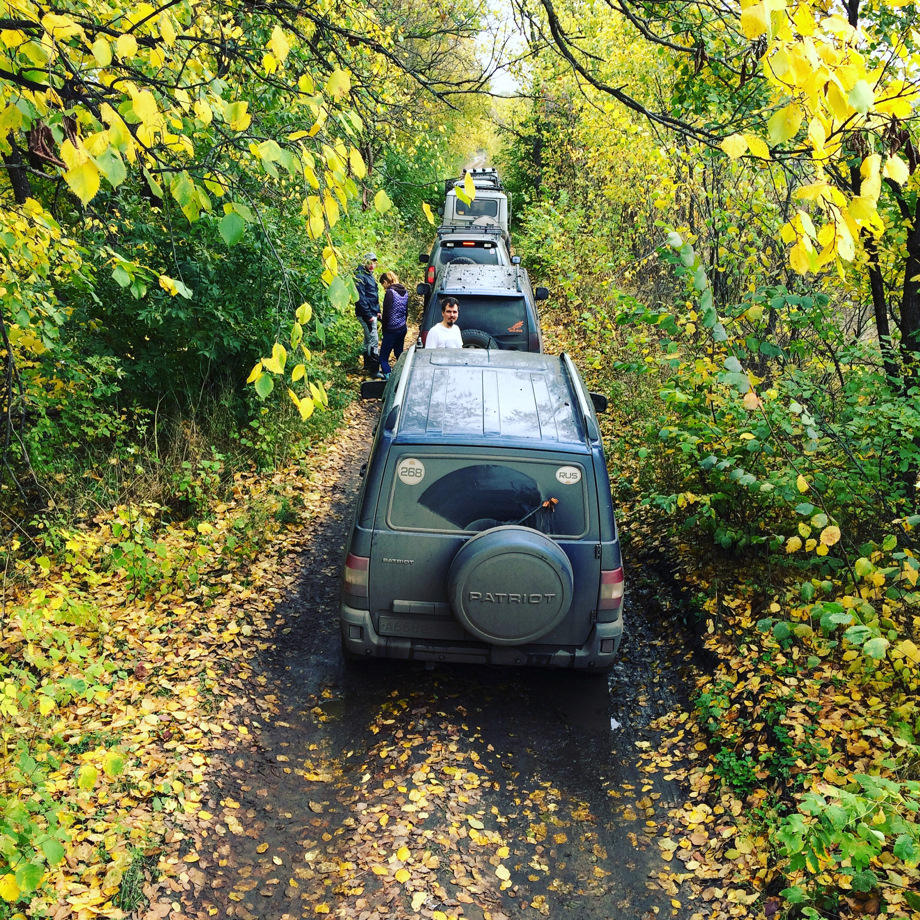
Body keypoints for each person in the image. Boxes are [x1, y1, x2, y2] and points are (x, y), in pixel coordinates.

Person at [354, 252, 381, 374]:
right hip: (366, 314)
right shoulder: (360, 276)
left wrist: (378, 311)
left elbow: (373, 295)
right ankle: (373, 370)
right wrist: (368, 315)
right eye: (369, 262)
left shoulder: (369, 275)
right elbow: (360, 298)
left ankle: (367, 366)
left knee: (368, 339)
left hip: (371, 312)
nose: (372, 265)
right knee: (373, 341)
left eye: (374, 262)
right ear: (364, 262)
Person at [378, 270, 409, 377]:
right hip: (402, 328)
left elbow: (386, 314)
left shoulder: (390, 293)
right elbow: (406, 312)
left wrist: (384, 328)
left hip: (391, 330)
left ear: (386, 281)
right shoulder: (404, 291)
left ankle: (388, 379)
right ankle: (404, 374)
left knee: (383, 358)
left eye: (383, 284)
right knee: (399, 354)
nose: (384, 287)